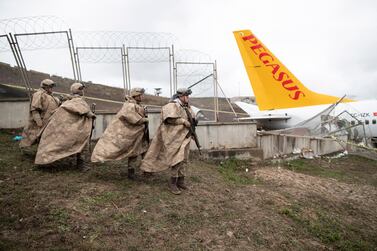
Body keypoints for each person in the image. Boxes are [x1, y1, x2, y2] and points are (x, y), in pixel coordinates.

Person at [140, 88, 196, 195]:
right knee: (177, 159)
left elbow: (191, 118)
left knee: (184, 158)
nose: (188, 98)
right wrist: (183, 121)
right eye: (186, 96)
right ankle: (172, 182)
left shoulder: (186, 107)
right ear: (181, 96)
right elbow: (169, 119)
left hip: (185, 136)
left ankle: (181, 180)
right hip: (173, 138)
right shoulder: (172, 105)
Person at [91, 87, 149, 179]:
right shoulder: (129, 105)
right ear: (135, 95)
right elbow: (131, 118)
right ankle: (132, 172)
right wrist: (144, 119)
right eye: (141, 95)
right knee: (133, 152)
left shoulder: (136, 104)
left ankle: (145, 171)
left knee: (141, 150)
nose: (143, 96)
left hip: (139, 134)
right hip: (132, 134)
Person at [34, 83, 95, 169]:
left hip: (73, 126)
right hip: (78, 128)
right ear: (77, 90)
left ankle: (49, 158)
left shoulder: (69, 100)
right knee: (82, 145)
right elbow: (82, 110)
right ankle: (81, 165)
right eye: (81, 89)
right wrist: (91, 115)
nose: (82, 91)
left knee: (71, 143)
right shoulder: (78, 100)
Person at [19, 79, 60, 148]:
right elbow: (34, 109)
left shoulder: (51, 96)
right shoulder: (39, 94)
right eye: (50, 87)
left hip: (49, 121)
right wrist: (39, 122)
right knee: (31, 136)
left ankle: (41, 151)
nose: (52, 89)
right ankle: (25, 149)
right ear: (45, 87)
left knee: (45, 139)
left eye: (52, 87)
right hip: (40, 122)